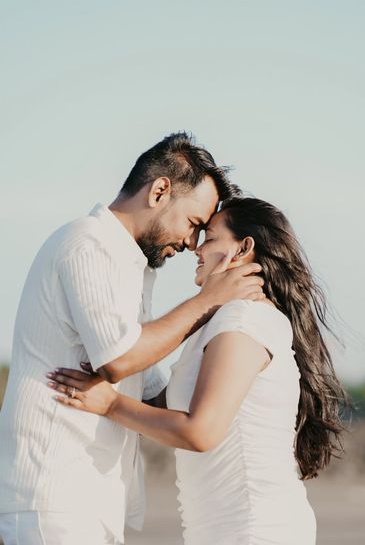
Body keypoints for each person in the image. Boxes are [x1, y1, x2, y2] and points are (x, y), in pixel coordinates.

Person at [0, 134, 265, 545]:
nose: (190, 244)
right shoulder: (87, 244)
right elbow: (120, 358)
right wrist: (207, 301)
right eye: (193, 224)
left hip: (89, 502)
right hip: (51, 496)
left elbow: (151, 388)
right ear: (159, 191)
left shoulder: (132, 266)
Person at [47, 197, 347, 545]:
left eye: (210, 238)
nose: (196, 249)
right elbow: (166, 411)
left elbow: (200, 432)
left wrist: (110, 405)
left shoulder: (244, 320)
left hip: (254, 530)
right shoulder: (225, 322)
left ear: (242, 249)